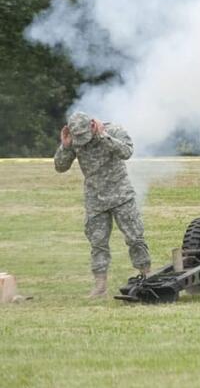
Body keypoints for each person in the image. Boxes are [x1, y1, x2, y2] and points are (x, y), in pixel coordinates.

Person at [54, 112, 151, 297]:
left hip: (121, 195)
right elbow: (60, 167)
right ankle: (100, 286)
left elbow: (127, 152)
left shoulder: (113, 130)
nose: (82, 141)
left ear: (92, 125)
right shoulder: (74, 140)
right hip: (95, 199)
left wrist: (104, 137)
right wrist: (65, 147)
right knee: (97, 243)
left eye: (85, 136)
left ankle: (146, 276)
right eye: (77, 138)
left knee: (135, 238)